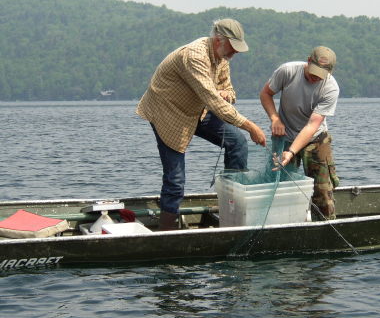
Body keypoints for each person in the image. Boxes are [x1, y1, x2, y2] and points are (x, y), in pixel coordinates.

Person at [137, 18, 267, 230]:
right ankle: (166, 230)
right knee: (176, 179)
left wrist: (228, 95)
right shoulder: (194, 55)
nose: (233, 54)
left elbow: (229, 92)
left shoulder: (222, 58)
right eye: (232, 48)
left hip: (198, 110)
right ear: (218, 40)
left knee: (238, 143)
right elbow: (212, 99)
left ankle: (232, 206)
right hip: (168, 112)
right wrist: (251, 125)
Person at [260, 46, 340, 220]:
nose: (314, 78)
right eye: (313, 72)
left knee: (322, 191)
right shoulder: (288, 71)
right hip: (285, 136)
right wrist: (275, 119)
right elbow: (266, 93)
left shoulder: (331, 88)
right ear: (308, 61)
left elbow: (312, 125)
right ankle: (278, 224)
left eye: (320, 75)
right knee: (278, 186)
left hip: (316, 138)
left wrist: (291, 152)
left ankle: (326, 226)